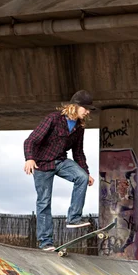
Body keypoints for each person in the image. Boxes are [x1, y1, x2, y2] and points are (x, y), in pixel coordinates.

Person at [23, 90, 96, 251]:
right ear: (75, 107)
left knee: (82, 178)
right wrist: (29, 158)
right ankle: (45, 242)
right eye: (85, 108)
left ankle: (73, 218)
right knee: (44, 201)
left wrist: (86, 172)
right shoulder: (53, 119)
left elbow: (78, 152)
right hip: (41, 164)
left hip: (61, 161)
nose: (88, 111)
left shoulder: (79, 127)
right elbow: (31, 140)